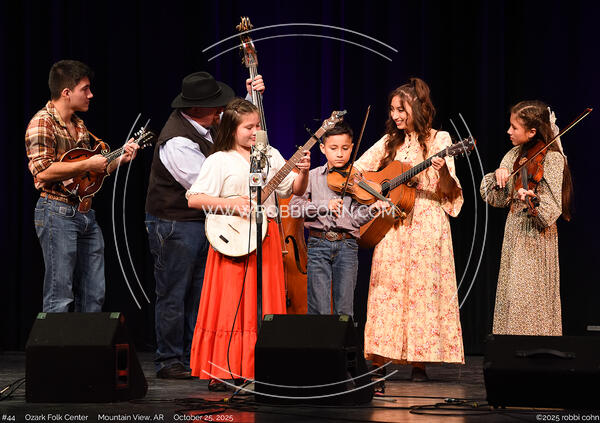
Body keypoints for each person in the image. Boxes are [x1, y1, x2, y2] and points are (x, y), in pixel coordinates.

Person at [145, 72, 265, 379]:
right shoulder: (178, 141)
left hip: (203, 224)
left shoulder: (207, 124)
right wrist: (238, 196)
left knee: (200, 294)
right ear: (196, 108)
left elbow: (238, 125)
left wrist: (251, 97)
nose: (221, 111)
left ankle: (194, 355)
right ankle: (170, 360)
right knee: (174, 293)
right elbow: (205, 187)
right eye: (216, 106)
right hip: (175, 224)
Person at [186, 98, 310, 391]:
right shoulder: (219, 160)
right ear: (232, 129)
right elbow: (194, 199)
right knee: (230, 304)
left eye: (257, 126)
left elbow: (293, 189)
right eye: (248, 127)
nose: (255, 132)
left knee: (265, 304)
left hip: (266, 237)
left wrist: (303, 171)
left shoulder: (270, 154)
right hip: (232, 241)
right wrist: (233, 205)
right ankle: (224, 368)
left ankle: (261, 367)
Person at [354, 77, 464, 387]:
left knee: (422, 290)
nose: (396, 116)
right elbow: (357, 172)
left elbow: (448, 190)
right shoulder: (390, 141)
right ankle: (378, 359)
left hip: (427, 222)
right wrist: (376, 195)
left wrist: (443, 171)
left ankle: (419, 362)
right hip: (394, 222)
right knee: (386, 289)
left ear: (418, 107)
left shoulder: (441, 139)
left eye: (401, 109)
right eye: (392, 110)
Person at [25, 59, 139, 313]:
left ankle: (87, 340)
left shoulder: (78, 125)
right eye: (85, 89)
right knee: (60, 295)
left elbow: (89, 175)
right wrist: (88, 163)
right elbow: (42, 171)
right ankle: (56, 341)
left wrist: (119, 160)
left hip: (85, 213)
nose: (90, 94)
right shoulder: (42, 123)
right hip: (56, 211)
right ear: (66, 92)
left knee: (94, 294)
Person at [480, 100, 572, 336]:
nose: (508, 131)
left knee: (531, 297)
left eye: (514, 127)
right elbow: (496, 199)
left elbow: (553, 208)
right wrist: (498, 177)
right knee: (511, 295)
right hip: (514, 231)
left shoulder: (552, 158)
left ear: (532, 131)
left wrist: (533, 201)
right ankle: (510, 349)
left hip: (536, 237)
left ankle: (535, 347)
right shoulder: (513, 154)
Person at [289, 122, 388, 317]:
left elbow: (356, 219)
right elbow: (294, 208)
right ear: (323, 148)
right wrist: (324, 206)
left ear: (352, 148)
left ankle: (343, 339)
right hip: (318, 243)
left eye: (345, 148)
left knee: (344, 310)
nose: (340, 154)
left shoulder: (356, 179)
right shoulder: (312, 176)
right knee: (319, 309)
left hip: (347, 246)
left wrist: (372, 209)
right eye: (334, 148)